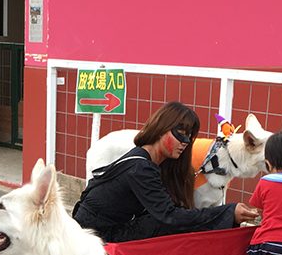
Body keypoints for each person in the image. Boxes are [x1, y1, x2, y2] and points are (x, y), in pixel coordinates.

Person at [72, 102, 258, 242]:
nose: (185, 141)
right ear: (161, 128)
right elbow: (170, 217)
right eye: (180, 133)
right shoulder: (141, 166)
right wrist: (228, 213)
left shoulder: (155, 162)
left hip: (104, 228)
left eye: (189, 136)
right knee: (168, 224)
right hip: (94, 236)